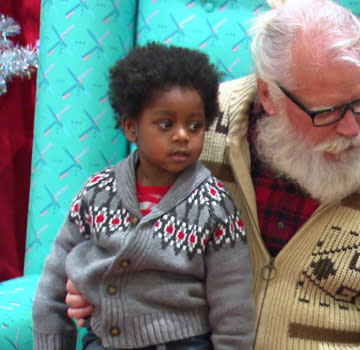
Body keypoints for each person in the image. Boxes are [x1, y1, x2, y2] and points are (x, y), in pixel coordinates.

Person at [65, 0, 360, 349]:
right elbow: (122, 221)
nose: (351, 127)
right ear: (268, 95)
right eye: (327, 112)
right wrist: (96, 278)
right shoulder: (198, 130)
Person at [32, 42, 256, 350]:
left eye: (195, 125)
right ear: (130, 127)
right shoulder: (98, 192)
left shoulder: (214, 206)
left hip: (183, 343)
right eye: (165, 124)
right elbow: (54, 280)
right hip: (103, 341)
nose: (182, 135)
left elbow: (233, 305)